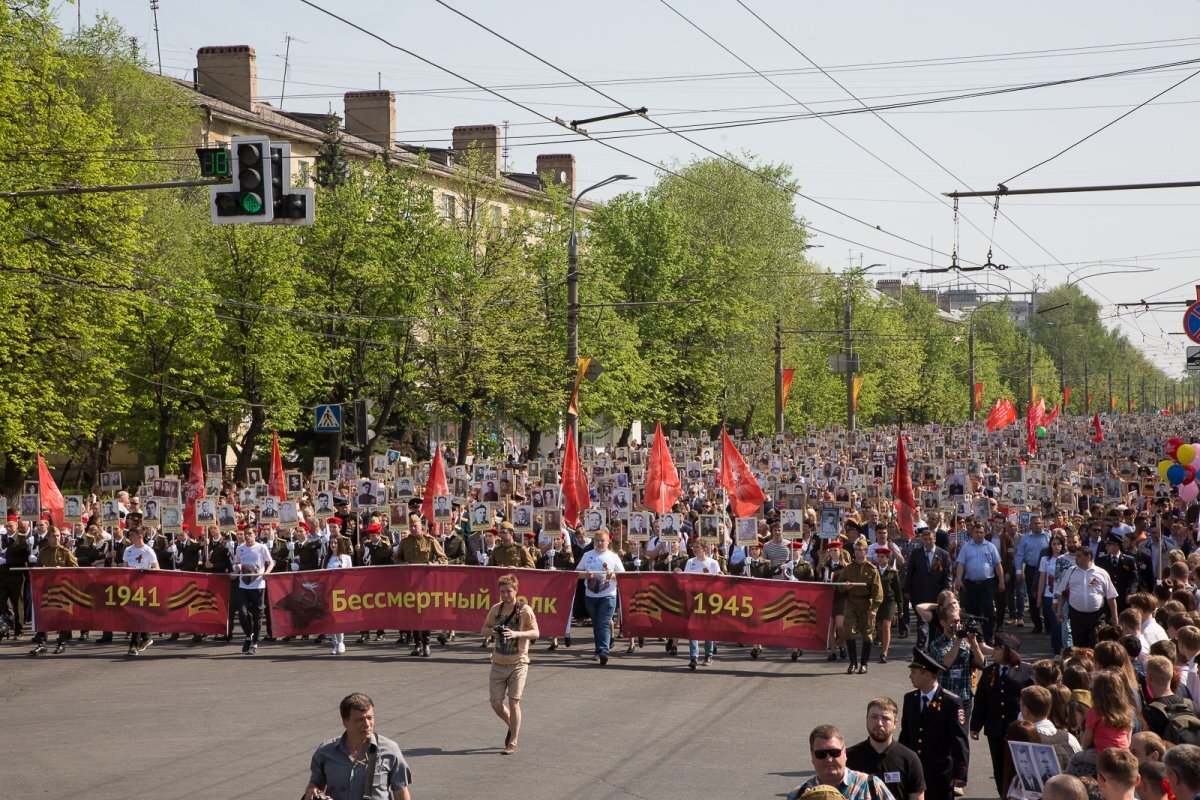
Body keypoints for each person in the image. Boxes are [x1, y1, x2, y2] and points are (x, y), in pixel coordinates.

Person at [304, 693, 412, 800]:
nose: (367, 724)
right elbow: (315, 784)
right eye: (360, 720)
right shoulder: (325, 752)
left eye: (370, 718)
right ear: (345, 722)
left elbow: (401, 793)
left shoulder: (390, 750)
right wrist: (312, 789)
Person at [898, 648, 970, 800]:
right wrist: (899, 761)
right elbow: (906, 734)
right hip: (914, 771)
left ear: (927, 674)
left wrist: (960, 771)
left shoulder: (951, 702)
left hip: (940, 774)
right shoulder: (910, 699)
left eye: (914, 672)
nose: (910, 676)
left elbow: (959, 739)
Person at [480, 574, 539, 755]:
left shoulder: (524, 610)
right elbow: (483, 629)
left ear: (516, 591)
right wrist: (493, 633)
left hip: (519, 663)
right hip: (498, 662)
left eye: (509, 591)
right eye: (503, 591)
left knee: (514, 702)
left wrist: (516, 634)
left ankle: (512, 742)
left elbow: (536, 632)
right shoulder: (496, 610)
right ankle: (512, 726)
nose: (506, 595)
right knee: (496, 703)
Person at [971, 634, 1036, 796]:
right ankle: (1003, 795)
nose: (994, 651)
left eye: (998, 648)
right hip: (995, 729)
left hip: (1018, 728)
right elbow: (981, 700)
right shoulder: (989, 671)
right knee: (999, 767)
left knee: (1019, 766)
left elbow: (1035, 698)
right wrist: (975, 726)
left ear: (1008, 651)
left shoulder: (1026, 671)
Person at [845, 697, 926, 800]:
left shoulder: (910, 759)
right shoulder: (849, 757)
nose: (879, 723)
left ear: (895, 724)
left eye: (885, 718)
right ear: (866, 720)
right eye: (874, 717)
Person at [787, 724, 896, 800]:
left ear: (844, 752)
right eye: (821, 754)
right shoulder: (798, 795)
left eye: (834, 752)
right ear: (812, 757)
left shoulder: (870, 787)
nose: (829, 759)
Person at [1054, 543, 1118, 649]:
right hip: (1077, 616)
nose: (1076, 559)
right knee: (1079, 646)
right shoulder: (1071, 571)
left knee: (1097, 644)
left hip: (1097, 616)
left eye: (1079, 556)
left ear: (1088, 557)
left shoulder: (1101, 573)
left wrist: (1114, 615)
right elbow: (1062, 592)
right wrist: (1059, 610)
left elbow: (1111, 596)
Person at [576, 528, 624, 666]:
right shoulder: (587, 555)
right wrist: (586, 575)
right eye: (597, 540)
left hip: (608, 595)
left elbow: (622, 575)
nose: (600, 543)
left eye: (602, 540)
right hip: (590, 596)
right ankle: (598, 651)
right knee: (597, 624)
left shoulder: (613, 557)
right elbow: (577, 573)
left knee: (603, 622)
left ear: (608, 541)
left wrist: (612, 575)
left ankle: (604, 651)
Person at [27, 527, 79, 656]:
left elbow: (76, 569)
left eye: (58, 536)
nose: (56, 538)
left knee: (62, 617)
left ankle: (61, 643)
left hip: (62, 589)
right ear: (48, 538)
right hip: (47, 589)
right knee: (44, 616)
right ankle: (42, 643)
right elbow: (37, 569)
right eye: (53, 536)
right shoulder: (44, 552)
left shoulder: (65, 552)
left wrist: (62, 570)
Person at [953, 519, 1005, 644]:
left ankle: (988, 637)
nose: (979, 534)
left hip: (987, 583)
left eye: (981, 532)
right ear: (973, 533)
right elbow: (961, 565)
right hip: (971, 584)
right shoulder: (966, 547)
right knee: (972, 612)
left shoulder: (990, 547)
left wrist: (1001, 581)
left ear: (984, 533)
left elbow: (998, 565)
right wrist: (958, 579)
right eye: (977, 532)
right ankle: (975, 637)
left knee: (988, 609)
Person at [841, 538, 884, 675]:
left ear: (866, 551)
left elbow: (878, 592)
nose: (859, 552)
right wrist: (845, 587)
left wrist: (874, 609)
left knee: (867, 635)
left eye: (862, 550)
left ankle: (864, 663)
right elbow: (839, 587)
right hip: (851, 603)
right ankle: (852, 663)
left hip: (866, 604)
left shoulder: (872, 570)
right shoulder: (848, 569)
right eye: (857, 550)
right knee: (849, 632)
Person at [232, 524, 274, 655]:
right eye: (245, 534)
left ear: (255, 534)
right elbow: (237, 562)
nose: (247, 536)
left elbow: (271, 562)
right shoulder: (240, 548)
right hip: (243, 585)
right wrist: (237, 569)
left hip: (258, 585)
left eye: (250, 534)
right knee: (243, 613)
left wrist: (266, 572)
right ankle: (248, 636)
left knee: (257, 616)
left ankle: (255, 642)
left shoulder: (261, 548)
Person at [121, 525, 160, 655]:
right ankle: (146, 637)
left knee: (137, 614)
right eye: (129, 535)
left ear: (140, 536)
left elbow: (156, 567)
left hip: (143, 586)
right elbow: (124, 567)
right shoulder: (128, 550)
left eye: (132, 535)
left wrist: (147, 574)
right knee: (134, 614)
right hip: (131, 586)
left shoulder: (148, 551)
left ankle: (134, 644)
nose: (129, 538)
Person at [683, 539, 721, 670]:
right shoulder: (690, 562)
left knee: (707, 628)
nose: (694, 549)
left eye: (697, 547)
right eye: (693, 547)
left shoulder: (713, 563)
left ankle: (708, 655)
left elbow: (719, 583)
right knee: (693, 628)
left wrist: (717, 576)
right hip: (693, 599)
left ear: (704, 548)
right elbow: (686, 579)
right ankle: (693, 657)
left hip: (708, 600)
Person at [326, 536, 353, 655]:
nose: (333, 545)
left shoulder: (346, 558)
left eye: (335, 543)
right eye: (331, 543)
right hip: (330, 591)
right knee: (331, 618)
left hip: (341, 592)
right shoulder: (327, 559)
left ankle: (341, 642)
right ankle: (335, 643)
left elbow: (350, 575)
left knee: (339, 618)